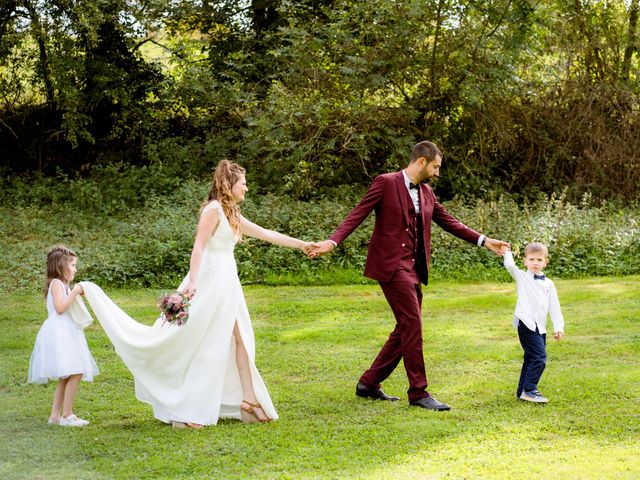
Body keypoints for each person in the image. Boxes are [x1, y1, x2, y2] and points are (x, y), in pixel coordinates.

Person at [81, 160, 313, 427]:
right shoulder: (213, 210)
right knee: (206, 343)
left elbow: (264, 233)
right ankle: (189, 409)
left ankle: (249, 400)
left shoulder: (232, 213)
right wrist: (192, 281)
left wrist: (302, 245)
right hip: (209, 282)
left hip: (227, 284)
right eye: (243, 184)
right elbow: (199, 247)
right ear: (229, 185)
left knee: (241, 340)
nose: (247, 188)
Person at [310, 141, 509, 411]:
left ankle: (369, 383)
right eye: (436, 167)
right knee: (413, 324)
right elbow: (357, 214)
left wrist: (485, 241)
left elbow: (449, 222)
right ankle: (418, 392)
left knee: (405, 327)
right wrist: (332, 242)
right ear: (422, 162)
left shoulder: (427, 193)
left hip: (414, 268)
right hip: (391, 267)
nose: (438, 173)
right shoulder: (385, 182)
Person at [28, 245, 99, 427]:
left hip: (68, 330)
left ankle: (54, 416)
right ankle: (67, 415)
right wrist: (75, 292)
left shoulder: (62, 284)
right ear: (61, 266)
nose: (75, 269)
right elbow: (60, 308)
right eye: (73, 265)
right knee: (76, 371)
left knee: (67, 375)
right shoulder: (57, 284)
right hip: (61, 332)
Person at [503, 242, 565, 403]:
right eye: (531, 259)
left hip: (540, 326)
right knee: (539, 357)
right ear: (525, 261)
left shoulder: (549, 284)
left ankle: (521, 391)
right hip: (526, 323)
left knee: (530, 358)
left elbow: (554, 306)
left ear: (545, 262)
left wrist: (559, 327)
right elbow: (510, 266)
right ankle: (530, 390)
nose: (535, 263)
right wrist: (507, 252)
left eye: (539, 259)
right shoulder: (522, 278)